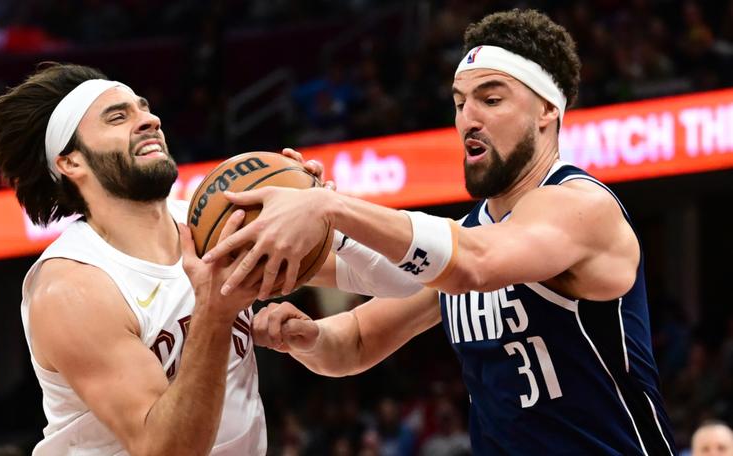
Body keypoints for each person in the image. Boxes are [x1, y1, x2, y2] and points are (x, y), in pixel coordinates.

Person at [204, 9, 677, 455]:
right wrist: (304, 336)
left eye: (491, 99)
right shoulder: (468, 235)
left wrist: (329, 207)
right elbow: (356, 343)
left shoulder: (581, 207)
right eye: (459, 103)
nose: (469, 118)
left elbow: (475, 263)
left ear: (546, 111)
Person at [0, 63, 274, 455]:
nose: (150, 120)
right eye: (119, 117)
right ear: (71, 162)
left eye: (144, 108)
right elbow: (166, 450)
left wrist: (325, 212)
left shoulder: (211, 222)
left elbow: (373, 295)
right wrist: (214, 313)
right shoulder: (71, 287)